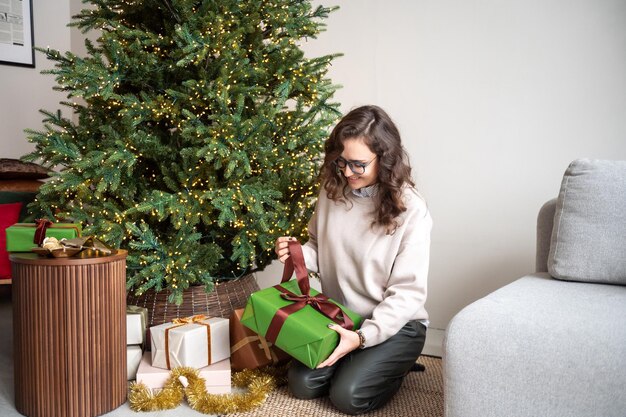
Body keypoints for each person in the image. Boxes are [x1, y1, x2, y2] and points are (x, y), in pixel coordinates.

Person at [274, 105, 433, 415]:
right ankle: (359, 359)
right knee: (302, 385)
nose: (347, 172)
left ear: (385, 159)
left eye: (358, 165)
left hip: (397, 324)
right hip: (341, 316)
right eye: (342, 162)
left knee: (348, 396)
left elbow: (407, 294)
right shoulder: (334, 190)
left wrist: (362, 338)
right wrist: (296, 254)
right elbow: (317, 247)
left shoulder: (411, 209)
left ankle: (394, 364)